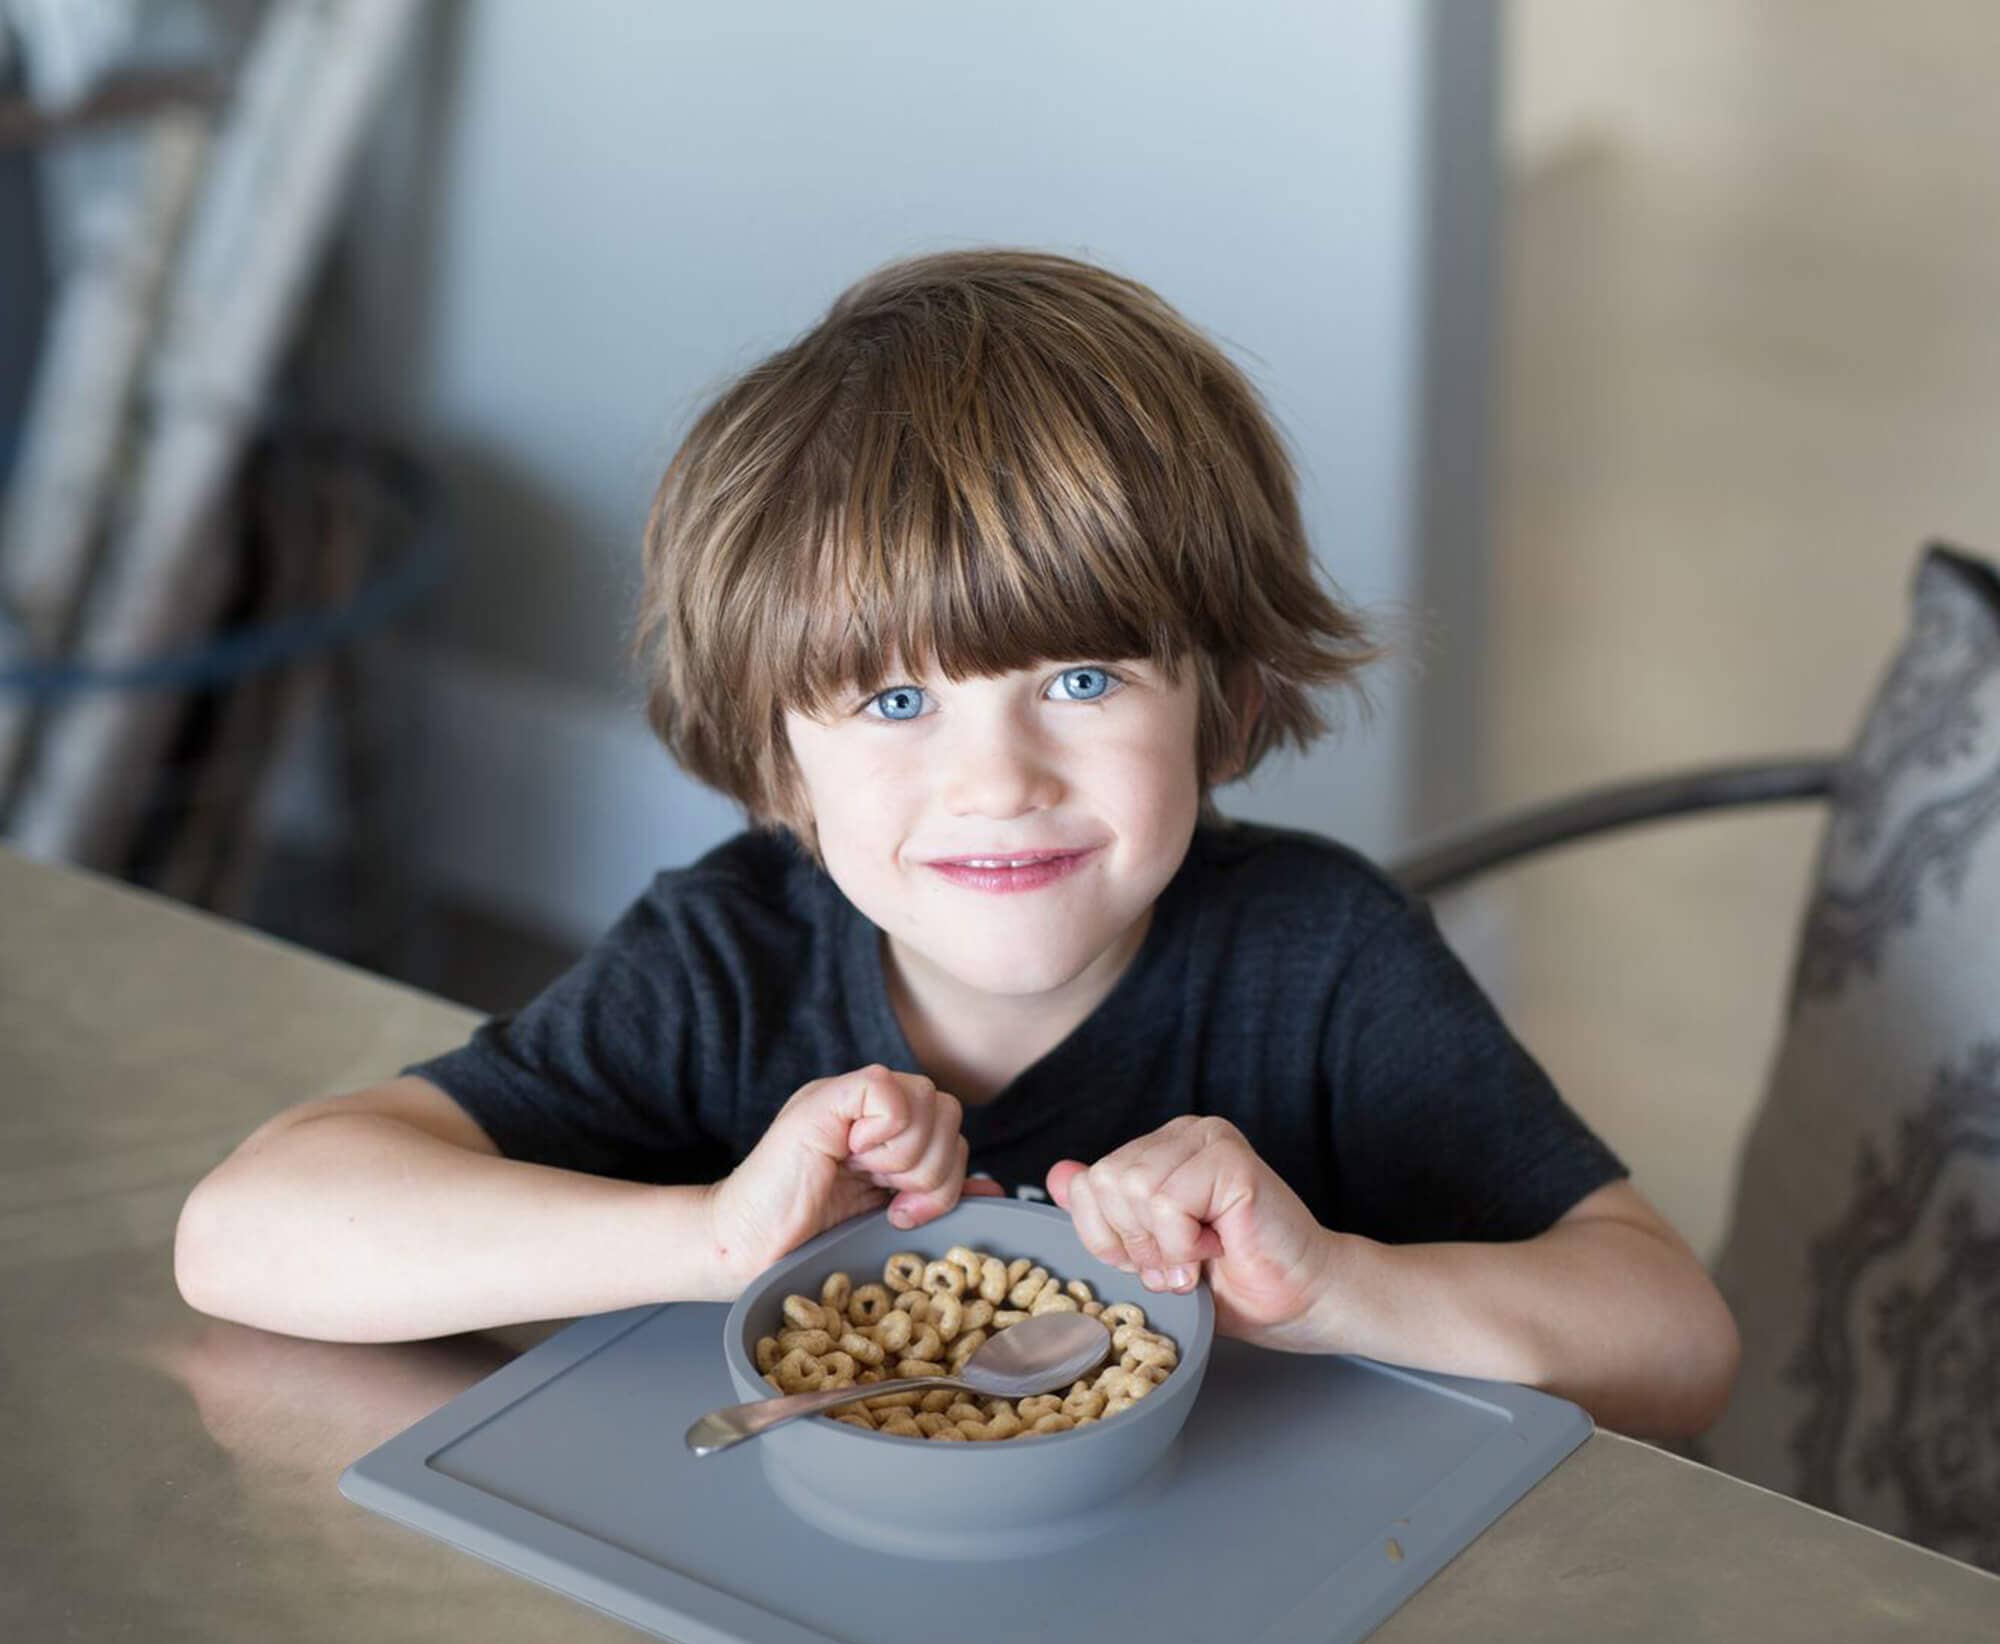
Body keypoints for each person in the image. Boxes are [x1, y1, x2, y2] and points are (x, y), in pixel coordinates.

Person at [174, 247, 1739, 1440]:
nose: (999, 781)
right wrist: (713, 1236)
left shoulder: (1321, 960)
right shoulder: (727, 962)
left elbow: (1677, 1342)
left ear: (1224, 697)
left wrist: (1342, 1285)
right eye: (897, 696)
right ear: (770, 749)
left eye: (1080, 677)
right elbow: (248, 1236)